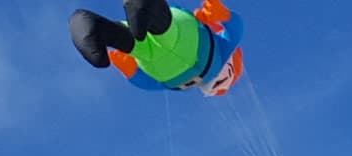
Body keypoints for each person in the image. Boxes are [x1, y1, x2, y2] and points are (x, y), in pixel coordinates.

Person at [69, 1, 245, 95]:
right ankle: (143, 7)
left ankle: (93, 28)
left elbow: (149, 84)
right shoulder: (223, 48)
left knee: (136, 41)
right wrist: (223, 15)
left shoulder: (222, 49)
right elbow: (236, 29)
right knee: (163, 32)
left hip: (159, 65)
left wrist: (131, 72)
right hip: (184, 46)